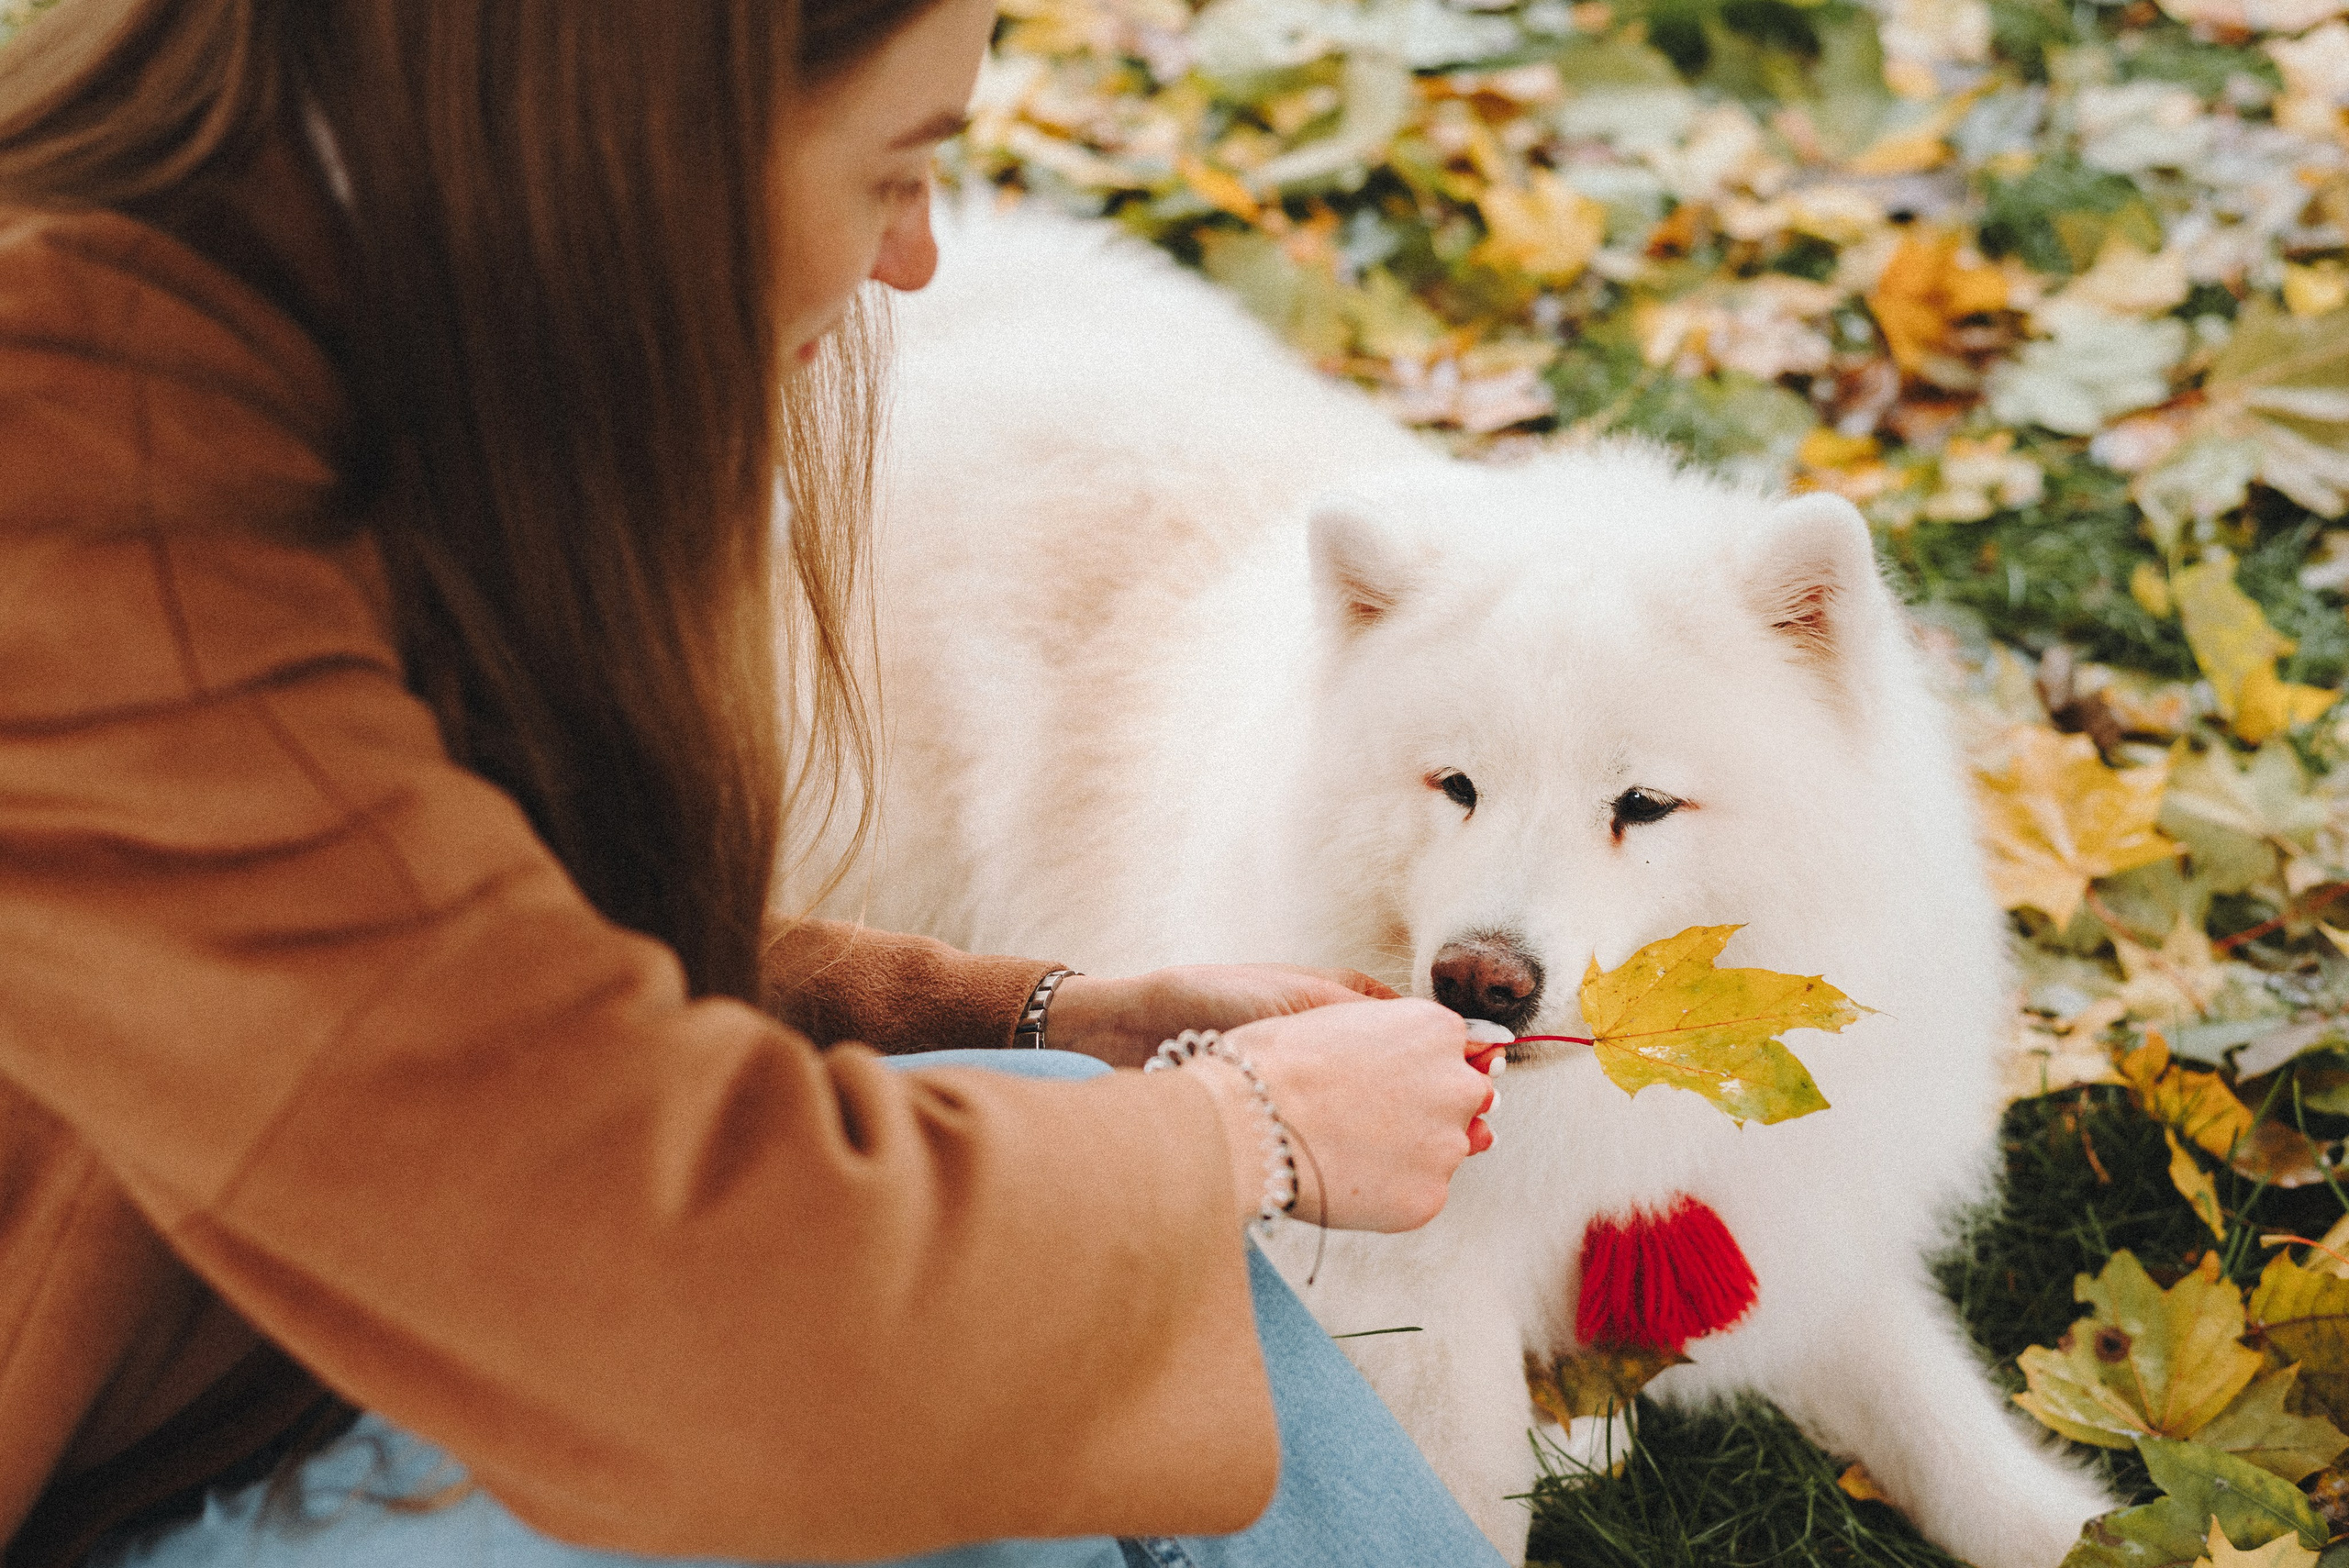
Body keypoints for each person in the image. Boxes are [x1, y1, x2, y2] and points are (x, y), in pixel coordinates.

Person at [0, 2, 1513, 1566]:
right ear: (654, 129)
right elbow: (682, 1285)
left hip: (260, 1338)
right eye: (894, 169)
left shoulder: (321, 339)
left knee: (1047, 1134)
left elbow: (429, 989)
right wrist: (1245, 1132)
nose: (915, 261)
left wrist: (1043, 1017)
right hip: (147, 1463)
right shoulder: (83, 478)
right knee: (930, 1335)